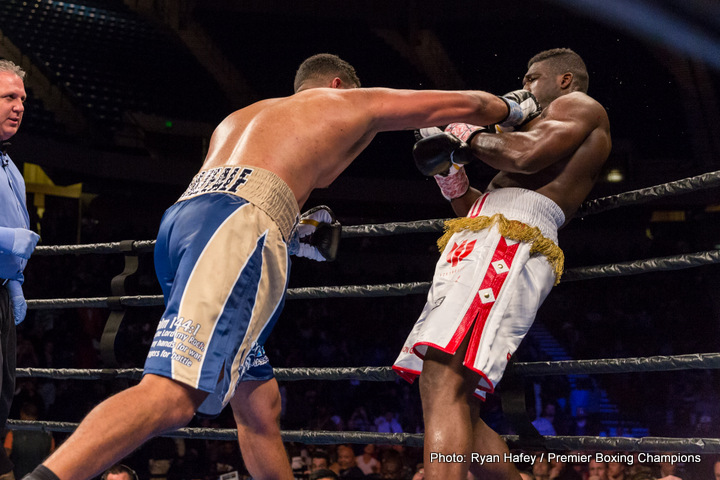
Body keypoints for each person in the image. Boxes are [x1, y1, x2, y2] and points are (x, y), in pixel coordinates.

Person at [23, 53, 538, 480]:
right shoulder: (342, 100)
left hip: (184, 226)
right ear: (336, 85)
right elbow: (463, 104)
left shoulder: (243, 117)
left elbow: (248, 185)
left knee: (257, 405)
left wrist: (292, 228)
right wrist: (517, 107)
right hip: (236, 232)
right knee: (173, 396)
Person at [393, 48, 611, 479]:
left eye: (531, 79)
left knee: (443, 380)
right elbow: (485, 201)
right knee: (450, 394)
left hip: (509, 239)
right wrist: (450, 175)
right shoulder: (535, 128)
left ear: (563, 80)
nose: (524, 88)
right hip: (486, 234)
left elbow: (525, 157)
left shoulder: (578, 106)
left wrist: (463, 132)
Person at [0, 59, 41, 480]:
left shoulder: (12, 168)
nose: (19, 107)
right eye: (9, 97)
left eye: (22, 100)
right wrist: (6, 240)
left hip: (1, 292)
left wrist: (14, 283)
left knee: (3, 392)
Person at [4, 403, 55, 478]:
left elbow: (5, 458)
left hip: (19, 477)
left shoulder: (12, 434)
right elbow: (53, 458)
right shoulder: (48, 436)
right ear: (36, 416)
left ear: (22, 413)